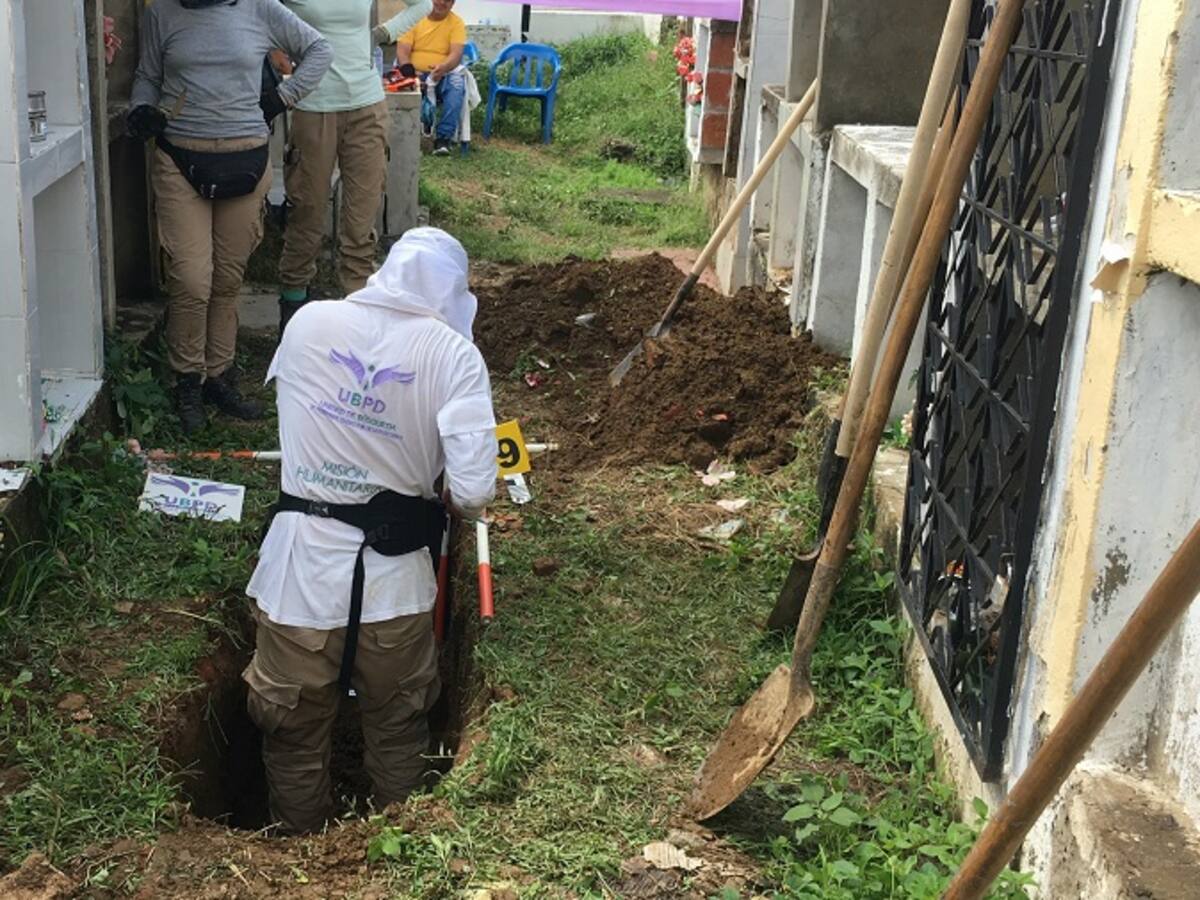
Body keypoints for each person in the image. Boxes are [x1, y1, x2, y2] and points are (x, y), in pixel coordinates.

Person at [244, 228, 497, 834]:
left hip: (298, 581)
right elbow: (474, 492)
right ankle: (397, 854)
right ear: (454, 294)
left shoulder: (307, 323)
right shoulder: (454, 357)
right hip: (394, 592)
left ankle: (300, 856)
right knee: (396, 730)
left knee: (295, 739)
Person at [129, 0, 332, 435]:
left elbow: (319, 50)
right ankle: (187, 379)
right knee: (191, 278)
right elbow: (148, 75)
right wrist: (141, 108)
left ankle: (218, 376)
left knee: (227, 278)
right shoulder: (161, 13)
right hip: (179, 159)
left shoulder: (261, 9)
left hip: (247, 161)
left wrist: (282, 98)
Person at [276, 0, 433, 335]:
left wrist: (381, 34)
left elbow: (423, 5)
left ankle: (359, 325)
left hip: (366, 105)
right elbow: (255, 13)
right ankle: (293, 321)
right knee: (306, 215)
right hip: (313, 106)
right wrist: (275, 51)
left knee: (361, 223)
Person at [396, 0, 467, 156]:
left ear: (453, 3)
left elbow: (456, 54)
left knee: (456, 87)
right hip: (413, 71)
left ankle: (443, 139)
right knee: (403, 86)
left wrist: (443, 68)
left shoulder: (457, 23)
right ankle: (410, 136)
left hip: (445, 72)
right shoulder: (414, 17)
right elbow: (402, 50)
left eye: (447, 0)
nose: (442, 2)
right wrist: (410, 72)